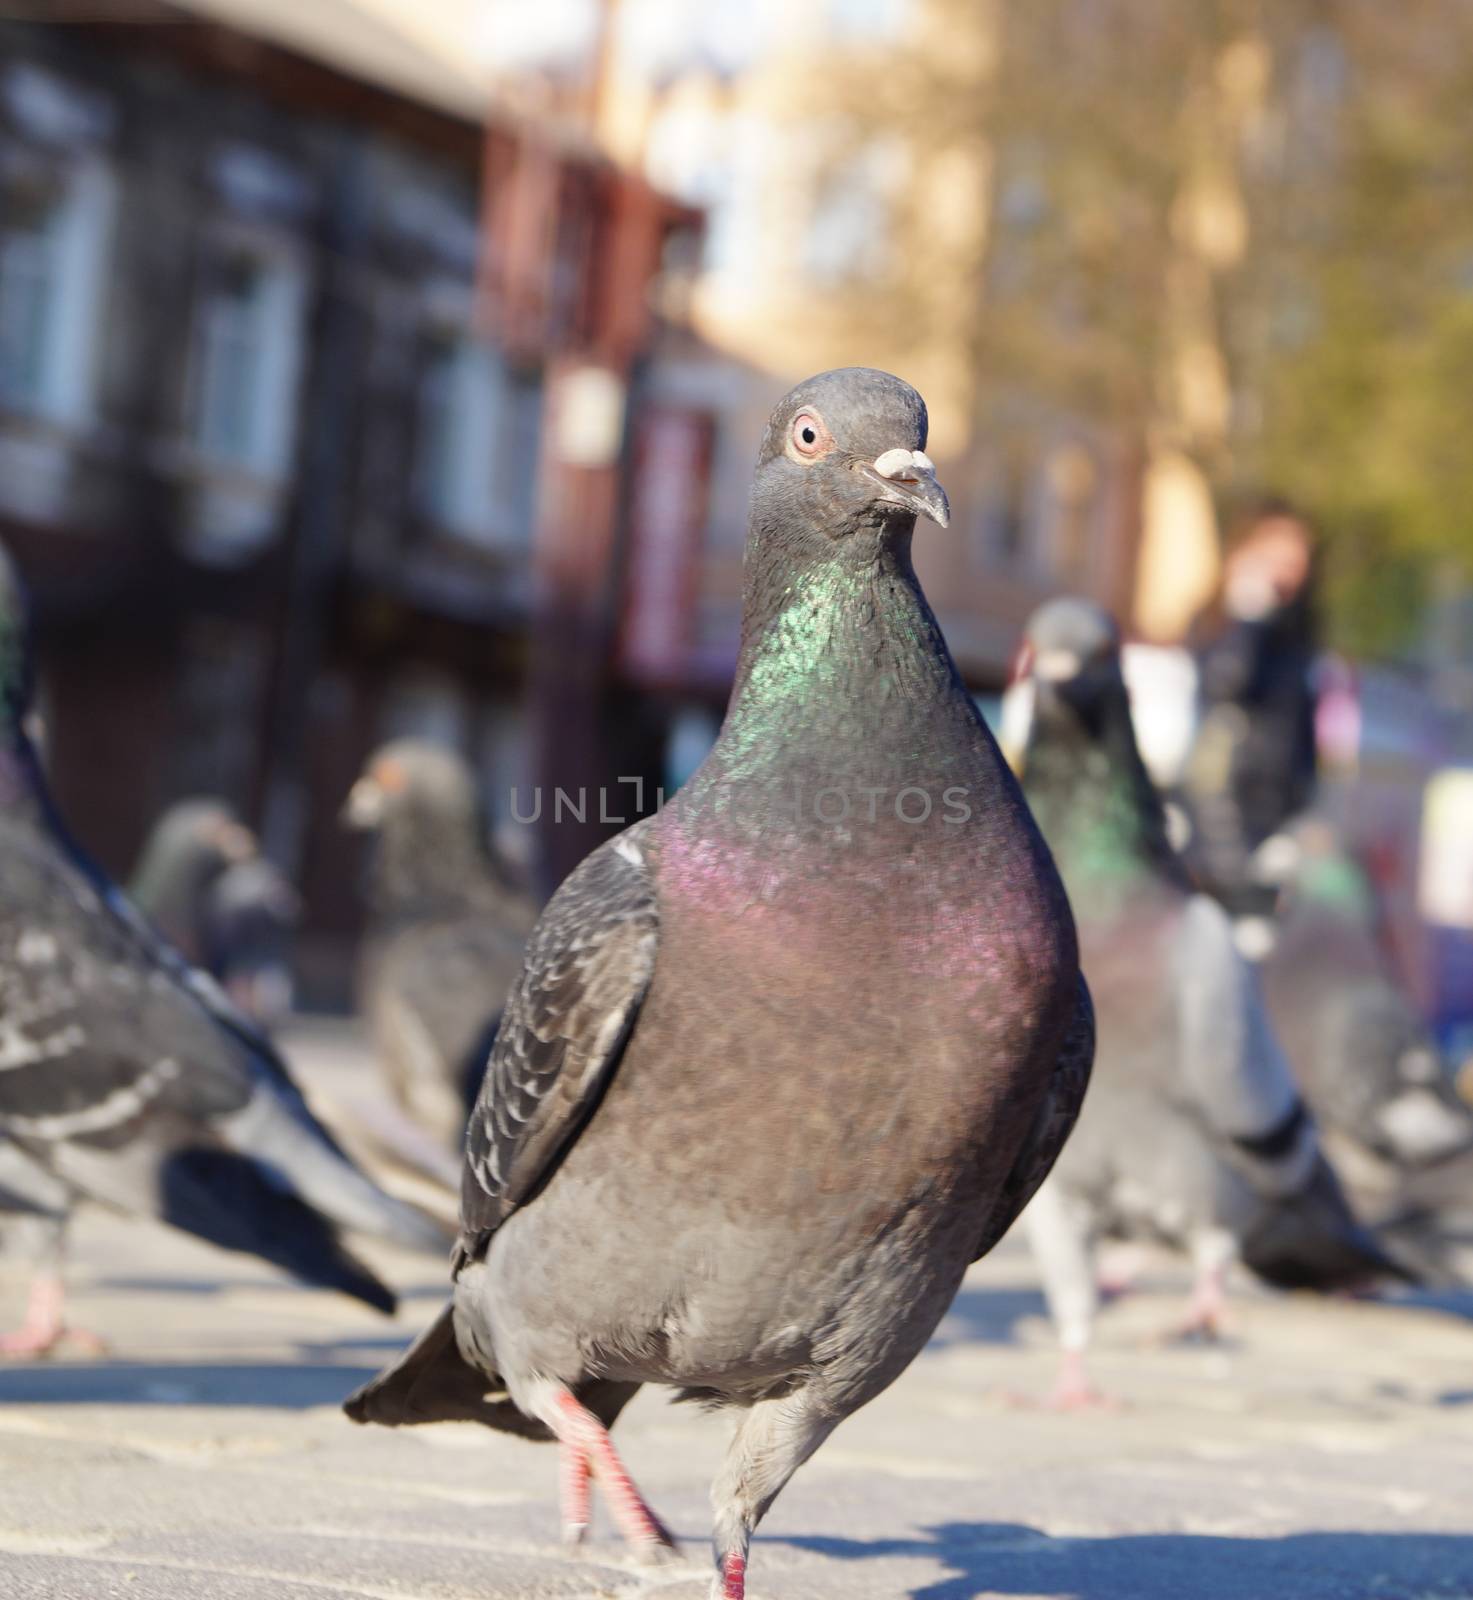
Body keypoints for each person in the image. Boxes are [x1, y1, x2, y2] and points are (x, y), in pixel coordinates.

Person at [1184, 499, 1320, 916]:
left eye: (1299, 558)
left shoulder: (1294, 638)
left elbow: (1301, 742)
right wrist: (1250, 612)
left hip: (1275, 829)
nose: (1290, 568)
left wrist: (1300, 820)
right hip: (1222, 828)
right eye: (1278, 555)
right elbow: (1226, 687)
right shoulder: (1226, 629)